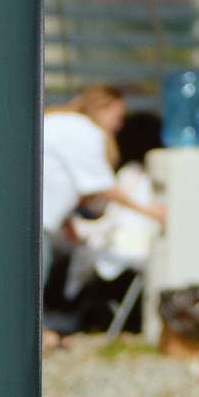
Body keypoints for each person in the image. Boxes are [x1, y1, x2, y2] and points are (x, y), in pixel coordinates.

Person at [40, 84, 162, 341]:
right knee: (37, 271)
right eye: (116, 117)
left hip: (39, 219)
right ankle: (32, 336)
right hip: (36, 224)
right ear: (100, 109)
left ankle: (37, 332)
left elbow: (55, 177)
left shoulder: (63, 122)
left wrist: (65, 221)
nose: (118, 126)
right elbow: (103, 186)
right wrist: (149, 210)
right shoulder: (85, 131)